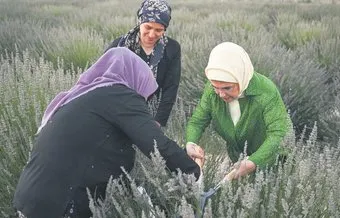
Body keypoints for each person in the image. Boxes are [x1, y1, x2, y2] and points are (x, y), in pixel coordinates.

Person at [12, 47, 200, 218]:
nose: (144, 99)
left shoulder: (85, 95)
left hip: (29, 198)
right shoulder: (120, 96)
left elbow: (104, 154)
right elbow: (155, 144)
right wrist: (194, 173)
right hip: (60, 205)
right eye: (145, 92)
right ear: (135, 78)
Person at [185, 42, 290, 180]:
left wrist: (254, 161)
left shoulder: (266, 91)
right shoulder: (212, 89)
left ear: (241, 77)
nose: (221, 94)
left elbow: (278, 134)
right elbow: (198, 121)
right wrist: (191, 143)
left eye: (227, 88)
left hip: (274, 163)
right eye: (216, 87)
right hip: (238, 161)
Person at [105, 0, 181, 127]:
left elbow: (171, 88)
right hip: (118, 112)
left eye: (159, 30)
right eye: (148, 27)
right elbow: (101, 81)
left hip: (152, 115)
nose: (152, 34)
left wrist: (158, 122)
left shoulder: (171, 48)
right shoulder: (119, 46)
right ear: (140, 22)